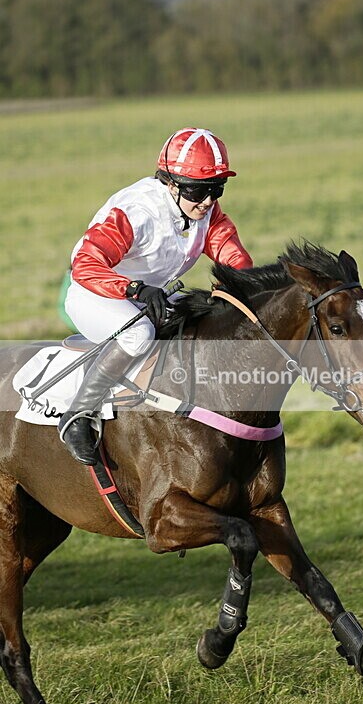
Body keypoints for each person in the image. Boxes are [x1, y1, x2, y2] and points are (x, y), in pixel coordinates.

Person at [58, 127, 253, 466]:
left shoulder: (207, 213)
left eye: (216, 189)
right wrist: (133, 289)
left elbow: (235, 259)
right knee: (139, 334)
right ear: (171, 183)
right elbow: (86, 265)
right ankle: (77, 415)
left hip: (146, 297)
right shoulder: (137, 212)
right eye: (198, 190)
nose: (207, 201)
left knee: (204, 317)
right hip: (96, 294)